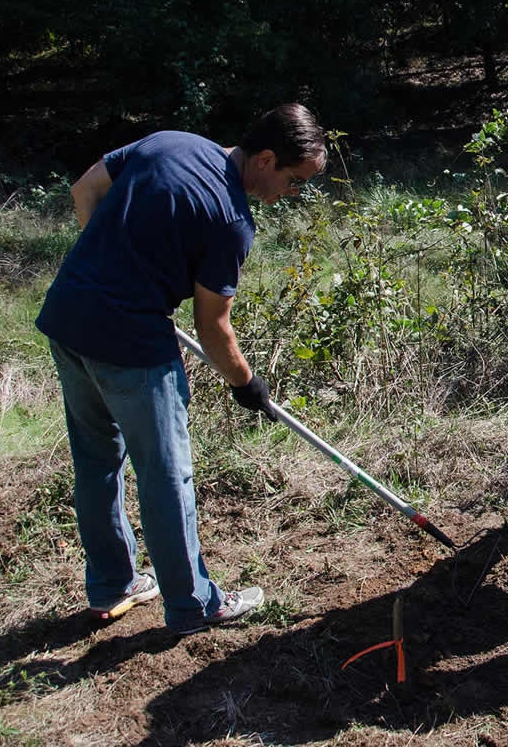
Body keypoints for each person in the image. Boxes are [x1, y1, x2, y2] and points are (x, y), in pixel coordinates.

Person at [36, 104, 326, 634]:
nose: (293, 193)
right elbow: (213, 327)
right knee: (165, 474)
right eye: (295, 180)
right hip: (130, 345)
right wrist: (247, 384)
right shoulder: (231, 221)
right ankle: (194, 604)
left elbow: (84, 190)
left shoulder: (171, 142)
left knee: (97, 461)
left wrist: (110, 269)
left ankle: (112, 584)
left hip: (68, 318)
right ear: (265, 160)